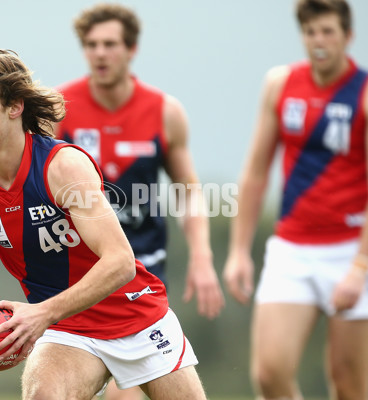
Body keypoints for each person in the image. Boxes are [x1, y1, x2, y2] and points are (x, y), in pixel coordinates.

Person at [0, 49, 208, 400]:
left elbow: (120, 262)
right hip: (65, 329)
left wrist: (41, 313)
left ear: (14, 107)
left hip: (136, 316)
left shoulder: (63, 167)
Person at [223, 0, 368, 399]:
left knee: (347, 383)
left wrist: (360, 267)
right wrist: (238, 251)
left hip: (353, 250)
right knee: (270, 373)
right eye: (310, 32)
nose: (318, 42)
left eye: (327, 32)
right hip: (293, 249)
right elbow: (254, 172)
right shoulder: (281, 84)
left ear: (347, 36)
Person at [55, 4, 225, 399]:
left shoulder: (164, 112)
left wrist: (202, 257)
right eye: (91, 45)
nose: (100, 53)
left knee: (124, 395)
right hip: (77, 274)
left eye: (110, 44)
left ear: (131, 49)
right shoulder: (60, 108)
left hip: (140, 273)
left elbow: (188, 191)